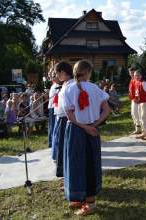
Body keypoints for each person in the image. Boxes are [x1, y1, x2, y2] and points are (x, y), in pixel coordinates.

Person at [63, 60, 111, 216]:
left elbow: (69, 115)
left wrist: (85, 127)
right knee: (90, 164)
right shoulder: (95, 88)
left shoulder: (67, 89)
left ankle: (86, 202)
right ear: (89, 73)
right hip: (91, 130)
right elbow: (106, 110)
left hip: (76, 129)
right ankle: (84, 199)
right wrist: (93, 125)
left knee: (75, 163)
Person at [53, 61, 74, 177]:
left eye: (57, 73)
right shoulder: (65, 84)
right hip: (61, 118)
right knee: (61, 147)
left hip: (67, 119)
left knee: (65, 148)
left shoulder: (71, 86)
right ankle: (65, 176)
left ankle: (67, 176)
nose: (57, 76)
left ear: (63, 72)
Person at [132, 70, 146, 140]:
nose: (136, 77)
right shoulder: (136, 83)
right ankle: (143, 132)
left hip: (145, 102)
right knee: (140, 118)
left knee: (143, 118)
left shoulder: (143, 83)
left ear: (141, 76)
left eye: (137, 75)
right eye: (135, 76)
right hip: (139, 103)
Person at [128, 66, 142, 135]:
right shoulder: (131, 79)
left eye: (132, 72)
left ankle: (139, 129)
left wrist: (136, 98)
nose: (131, 74)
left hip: (136, 99)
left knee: (136, 114)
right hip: (132, 99)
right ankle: (137, 128)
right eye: (130, 73)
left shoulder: (136, 80)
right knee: (133, 114)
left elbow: (137, 90)